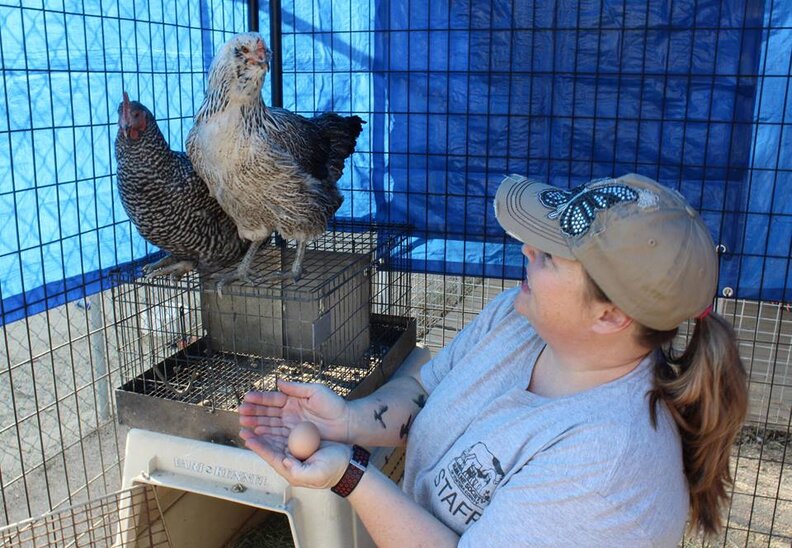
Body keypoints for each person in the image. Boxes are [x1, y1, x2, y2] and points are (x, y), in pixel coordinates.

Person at [238, 173, 748, 546]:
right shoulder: (517, 318)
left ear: (611, 317)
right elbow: (425, 389)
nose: (526, 248)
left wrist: (347, 474)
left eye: (548, 255)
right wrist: (350, 420)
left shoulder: (605, 463)